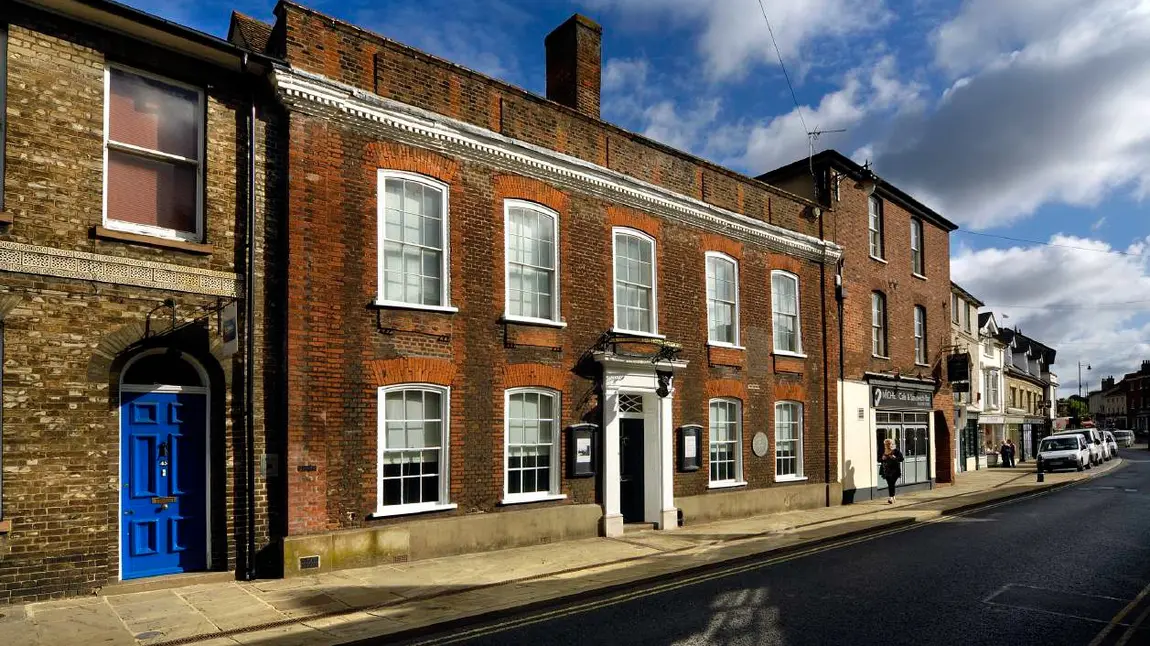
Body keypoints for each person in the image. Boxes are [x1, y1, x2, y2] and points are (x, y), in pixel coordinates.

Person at [879, 438, 904, 504]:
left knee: (891, 483)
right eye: (886, 444)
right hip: (886, 470)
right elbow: (879, 459)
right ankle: (893, 497)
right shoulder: (883, 451)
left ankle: (891, 497)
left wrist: (895, 457)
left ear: (892, 444)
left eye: (889, 444)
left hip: (895, 470)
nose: (888, 445)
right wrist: (882, 459)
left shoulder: (896, 451)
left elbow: (902, 459)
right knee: (890, 484)